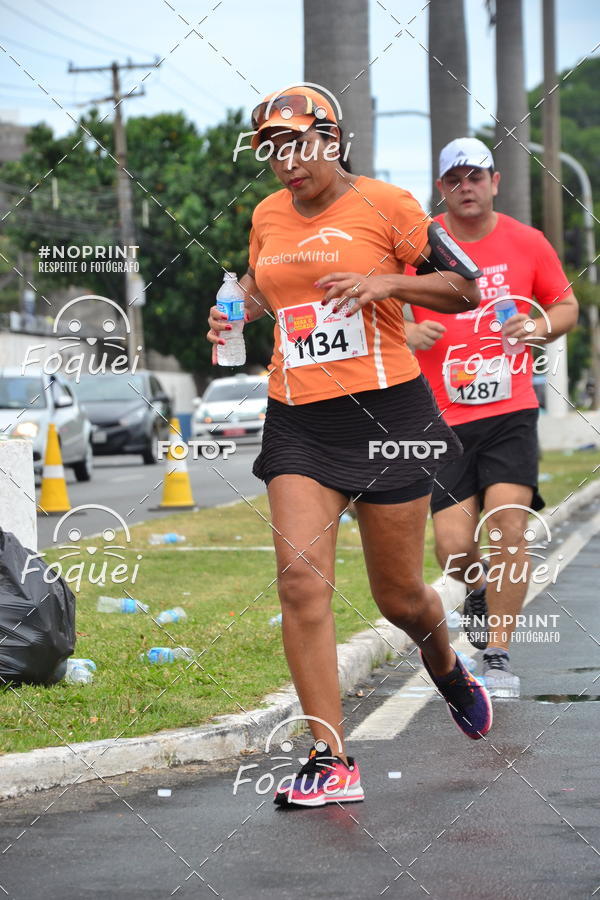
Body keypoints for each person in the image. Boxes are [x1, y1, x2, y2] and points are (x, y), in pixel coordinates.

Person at [207, 89, 491, 809]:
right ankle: (329, 758)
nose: (286, 162)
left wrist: (385, 282)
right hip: (299, 418)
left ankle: (445, 663)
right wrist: (235, 308)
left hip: (388, 416)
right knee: (301, 582)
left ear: (331, 141)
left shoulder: (388, 205)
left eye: (298, 145)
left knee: (398, 598)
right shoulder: (267, 215)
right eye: (272, 150)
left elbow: (467, 287)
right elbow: (269, 285)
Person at [405, 137, 578, 699]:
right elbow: (377, 302)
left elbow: (566, 305)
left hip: (510, 411)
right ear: (441, 188)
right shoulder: (421, 243)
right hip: (442, 418)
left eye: (475, 176)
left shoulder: (527, 242)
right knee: (453, 547)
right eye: (454, 179)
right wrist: (408, 331)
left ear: (495, 182)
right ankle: (477, 588)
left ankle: (498, 655)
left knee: (507, 527)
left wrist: (537, 327)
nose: (466, 187)